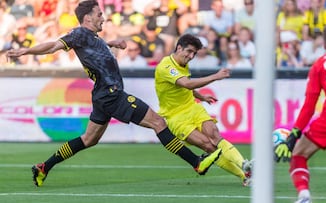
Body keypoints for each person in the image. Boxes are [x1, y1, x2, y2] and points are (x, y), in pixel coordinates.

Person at [6, 0, 222, 187]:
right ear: (88, 18)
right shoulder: (78, 33)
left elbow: (93, 47)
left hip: (102, 95)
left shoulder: (90, 36)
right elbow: (53, 46)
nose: (103, 17)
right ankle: (196, 163)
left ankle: (44, 167)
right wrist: (27, 50)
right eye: (99, 14)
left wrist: (112, 43)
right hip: (111, 94)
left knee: (88, 139)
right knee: (158, 123)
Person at [274, 23, 326, 203]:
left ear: (325, 44)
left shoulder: (320, 64)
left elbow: (309, 105)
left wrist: (294, 134)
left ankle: (304, 196)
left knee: (299, 154)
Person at [154, 33, 254, 186]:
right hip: (176, 118)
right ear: (179, 48)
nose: (191, 56)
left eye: (194, 53)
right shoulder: (166, 66)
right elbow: (186, 84)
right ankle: (244, 176)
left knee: (214, 134)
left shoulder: (182, 64)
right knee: (208, 146)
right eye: (189, 51)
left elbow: (182, 87)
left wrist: (201, 97)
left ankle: (244, 164)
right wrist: (215, 76)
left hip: (193, 108)